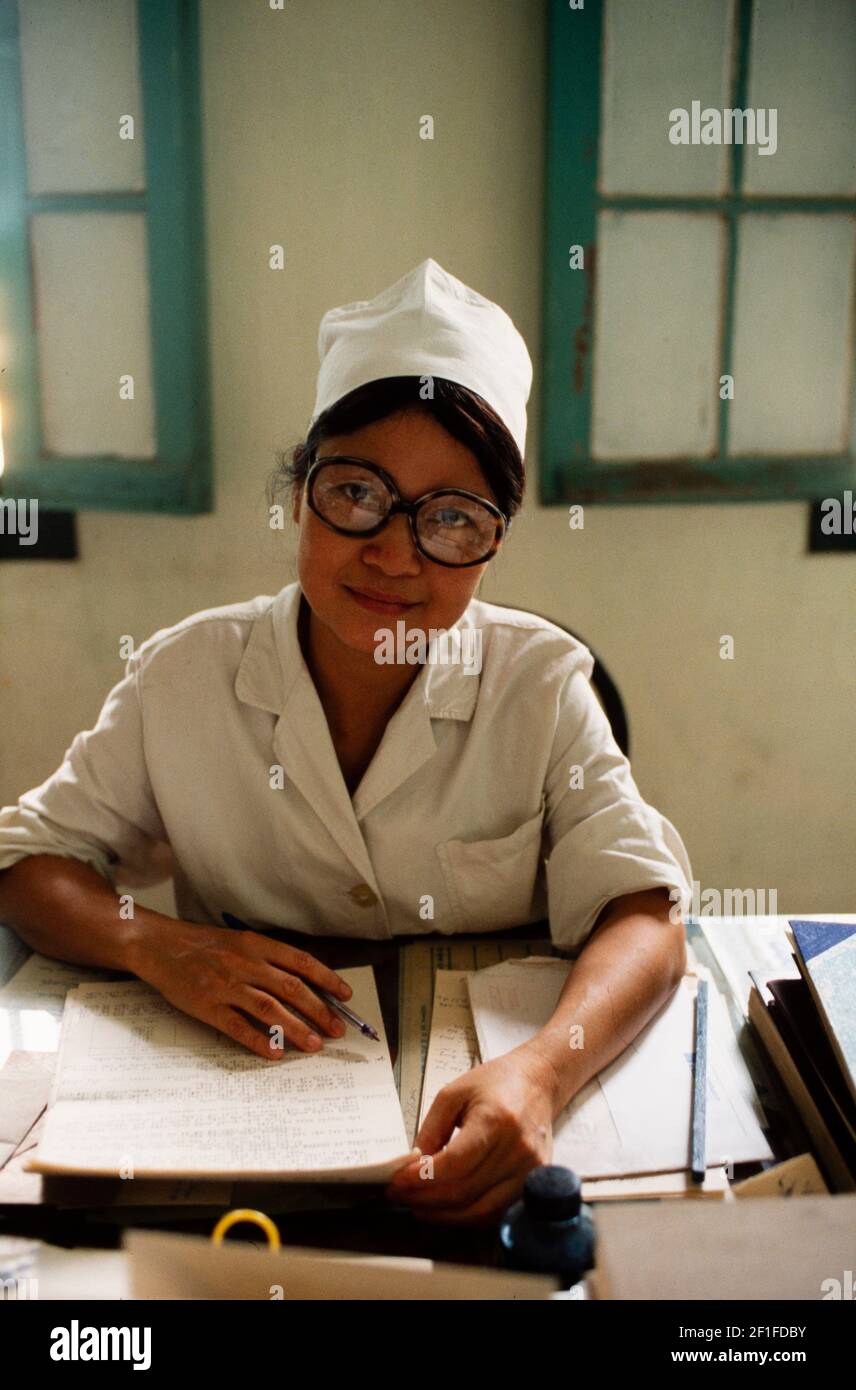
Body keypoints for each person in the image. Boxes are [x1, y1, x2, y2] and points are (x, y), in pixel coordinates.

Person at [0, 258, 692, 1224]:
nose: (396, 554)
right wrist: (158, 946)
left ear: (497, 538)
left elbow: (647, 917)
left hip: (474, 1111)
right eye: (359, 493)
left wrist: (540, 1075)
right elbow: (29, 861)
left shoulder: (540, 684)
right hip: (248, 1119)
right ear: (299, 493)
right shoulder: (184, 678)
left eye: (451, 517)